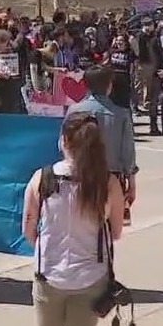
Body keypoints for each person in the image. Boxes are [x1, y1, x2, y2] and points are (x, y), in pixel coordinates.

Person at [22, 113, 126, 326]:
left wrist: (48, 249)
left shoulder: (42, 178)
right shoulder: (108, 183)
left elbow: (28, 230)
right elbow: (116, 232)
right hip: (91, 277)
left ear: (64, 141)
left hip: (49, 273)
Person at [64, 67, 136, 223]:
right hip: (111, 177)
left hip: (79, 175)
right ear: (109, 85)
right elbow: (128, 152)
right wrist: (132, 183)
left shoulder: (73, 111)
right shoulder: (121, 114)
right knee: (110, 226)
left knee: (81, 224)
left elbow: (64, 145)